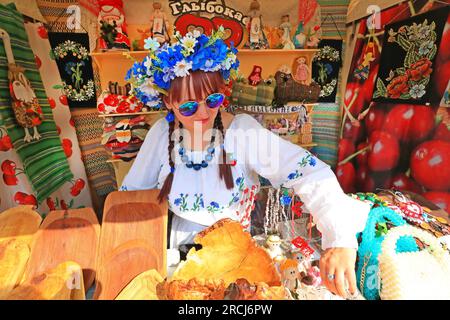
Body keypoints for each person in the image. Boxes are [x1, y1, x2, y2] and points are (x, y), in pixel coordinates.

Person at [122, 29, 370, 298]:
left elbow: (308, 172)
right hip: (176, 255)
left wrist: (341, 238)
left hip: (236, 258)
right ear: (169, 102)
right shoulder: (161, 134)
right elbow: (131, 199)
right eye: (189, 107)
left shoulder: (243, 133)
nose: (203, 113)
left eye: (212, 100)